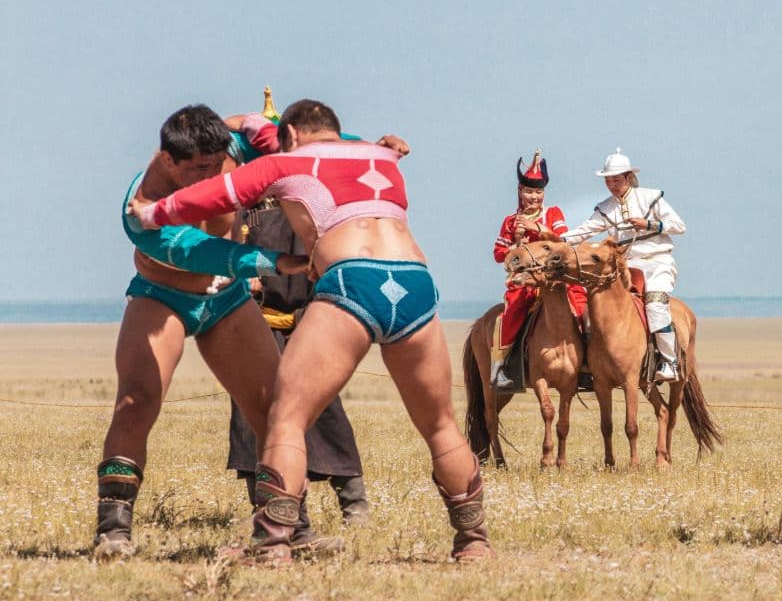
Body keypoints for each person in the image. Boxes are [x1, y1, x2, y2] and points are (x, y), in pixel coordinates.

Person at [131, 99, 494, 563]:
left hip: (352, 278)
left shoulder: (289, 161)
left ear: (295, 133)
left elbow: (215, 195)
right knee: (441, 424)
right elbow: (292, 136)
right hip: (415, 281)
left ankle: (273, 544)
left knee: (286, 417)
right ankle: (474, 542)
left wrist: (148, 215)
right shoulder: (383, 156)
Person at [95, 105, 308, 560]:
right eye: (198, 170)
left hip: (227, 299)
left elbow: (303, 140)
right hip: (162, 295)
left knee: (274, 408)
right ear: (169, 160)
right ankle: (113, 532)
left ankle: (290, 528)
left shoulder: (230, 147)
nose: (210, 179)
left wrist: (365, 146)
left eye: (216, 168)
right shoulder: (143, 206)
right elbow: (198, 252)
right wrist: (269, 263)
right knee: (137, 401)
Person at [227, 187, 370, 526]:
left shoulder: (304, 207)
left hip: (307, 319)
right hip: (256, 323)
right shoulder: (240, 211)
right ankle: (264, 505)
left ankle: (354, 501)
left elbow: (323, 261)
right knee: (251, 409)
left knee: (324, 406)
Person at [563, 149, 686, 382]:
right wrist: (556, 243)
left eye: (616, 180)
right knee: (595, 308)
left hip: (658, 262)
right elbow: (583, 231)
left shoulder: (651, 197)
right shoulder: (605, 207)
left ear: (628, 177)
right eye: (608, 180)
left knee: (656, 305)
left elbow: (679, 226)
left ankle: (670, 362)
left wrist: (649, 224)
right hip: (625, 267)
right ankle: (592, 361)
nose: (611, 185)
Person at [490, 151, 588, 391]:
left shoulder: (553, 214)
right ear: (520, 192)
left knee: (583, 303)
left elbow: (563, 242)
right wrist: (515, 245)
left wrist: (538, 229)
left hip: (554, 278)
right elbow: (497, 254)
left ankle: (590, 358)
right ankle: (498, 368)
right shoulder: (510, 222)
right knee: (512, 311)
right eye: (529, 192)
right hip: (525, 280)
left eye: (538, 192)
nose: (534, 197)